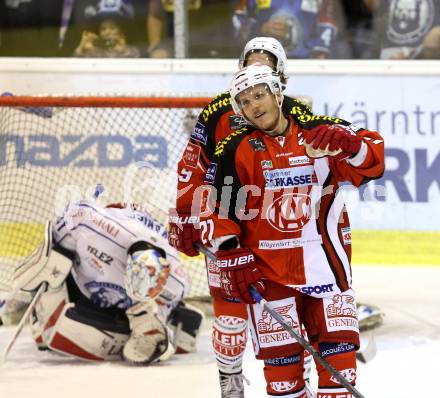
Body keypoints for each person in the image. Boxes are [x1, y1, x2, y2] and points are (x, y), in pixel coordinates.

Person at [200, 64, 384, 397]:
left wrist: (353, 147)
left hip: (328, 274)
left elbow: (374, 162)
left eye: (259, 95)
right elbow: (216, 209)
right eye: (244, 101)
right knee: (283, 383)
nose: (254, 106)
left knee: (339, 381)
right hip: (270, 280)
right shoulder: (234, 148)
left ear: (278, 93)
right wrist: (229, 252)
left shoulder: (320, 132)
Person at [168, 36, 315, 397]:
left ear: (280, 78)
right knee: (231, 319)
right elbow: (193, 164)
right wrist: (187, 214)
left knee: (292, 320)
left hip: (279, 234)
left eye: (265, 69)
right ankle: (230, 386)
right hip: (228, 226)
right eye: (250, 65)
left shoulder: (297, 111)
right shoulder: (219, 109)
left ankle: (300, 382)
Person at [12, 200, 203, 364]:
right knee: (45, 321)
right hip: (82, 278)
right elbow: (59, 239)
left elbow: (159, 312)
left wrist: (155, 325)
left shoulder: (177, 283)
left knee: (149, 327)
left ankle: (175, 318)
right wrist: (49, 265)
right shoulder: (90, 223)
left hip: (111, 301)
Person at [232, 0, 339, 59]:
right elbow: (237, 26)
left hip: (304, 66)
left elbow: (328, 24)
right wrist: (259, 29)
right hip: (263, 65)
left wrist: (320, 58)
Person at [366, 0, 440, 59]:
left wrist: (412, 54)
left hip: (424, 63)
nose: (404, 14)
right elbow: (370, 8)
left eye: (410, 11)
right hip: (383, 63)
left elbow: (433, 42)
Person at [73, 0, 141, 58]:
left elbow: (137, 63)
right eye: (103, 29)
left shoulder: (130, 50)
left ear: (121, 31)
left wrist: (124, 50)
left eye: (112, 28)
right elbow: (73, 65)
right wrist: (81, 49)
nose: (107, 32)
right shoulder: (93, 51)